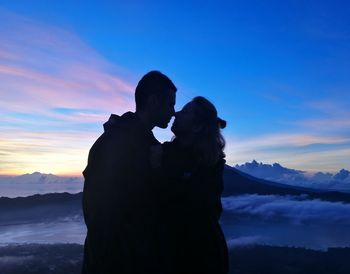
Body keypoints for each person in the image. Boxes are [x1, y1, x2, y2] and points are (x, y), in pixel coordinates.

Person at [81, 71, 177, 274]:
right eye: (170, 104)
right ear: (153, 101)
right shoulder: (116, 142)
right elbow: (100, 215)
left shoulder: (144, 144)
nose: (173, 112)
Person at [154, 96, 229, 274]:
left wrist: (157, 168)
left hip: (201, 260)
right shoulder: (167, 153)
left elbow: (187, 208)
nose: (176, 113)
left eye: (185, 111)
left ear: (197, 126)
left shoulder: (210, 166)